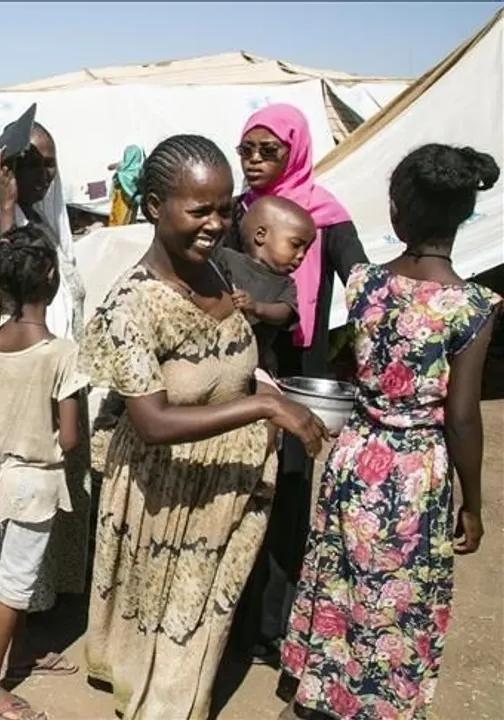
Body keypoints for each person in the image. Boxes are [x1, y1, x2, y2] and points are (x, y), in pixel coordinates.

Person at [79, 134, 327, 720]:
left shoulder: (216, 272)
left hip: (225, 489)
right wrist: (266, 410)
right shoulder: (132, 307)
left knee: (201, 621)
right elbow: (155, 421)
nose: (217, 223)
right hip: (163, 494)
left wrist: (266, 389)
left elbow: (231, 366)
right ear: (154, 207)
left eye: (225, 207)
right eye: (199, 210)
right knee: (172, 634)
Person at [278, 145, 500, 720]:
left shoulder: (367, 285)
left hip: (356, 457)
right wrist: (472, 504)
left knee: (343, 575)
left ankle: (326, 688)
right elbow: (463, 415)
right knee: (400, 592)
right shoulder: (472, 307)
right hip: (415, 472)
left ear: (397, 212)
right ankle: (383, 702)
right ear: (464, 217)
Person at [0, 119, 88, 671]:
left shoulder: (47, 221)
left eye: (50, 164)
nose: (45, 175)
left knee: (25, 530)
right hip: (6, 393)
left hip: (46, 389)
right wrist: (4, 210)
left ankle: (18, 632)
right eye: (32, 163)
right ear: (5, 166)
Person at [229, 103, 366, 669]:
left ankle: (270, 630)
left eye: (269, 152)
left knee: (285, 500)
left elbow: (362, 285)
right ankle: (230, 622)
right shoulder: (238, 213)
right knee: (236, 493)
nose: (255, 162)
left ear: (296, 151)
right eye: (247, 151)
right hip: (239, 376)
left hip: (298, 381)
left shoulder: (325, 219)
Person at [0, 225, 88, 720]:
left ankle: (24, 646)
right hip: (34, 484)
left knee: (14, 573)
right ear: (52, 277)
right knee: (16, 582)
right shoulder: (60, 353)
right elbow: (71, 437)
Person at [214, 195, 315, 376]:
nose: (301, 255)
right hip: (212, 354)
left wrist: (257, 308)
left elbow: (285, 312)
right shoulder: (226, 258)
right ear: (261, 235)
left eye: (305, 250)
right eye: (295, 245)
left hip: (255, 364)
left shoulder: (285, 284)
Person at [108, 144, 145, 226]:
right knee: (130, 219)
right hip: (133, 200)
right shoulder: (140, 169)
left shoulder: (122, 173)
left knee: (119, 220)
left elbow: (110, 167)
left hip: (121, 202)